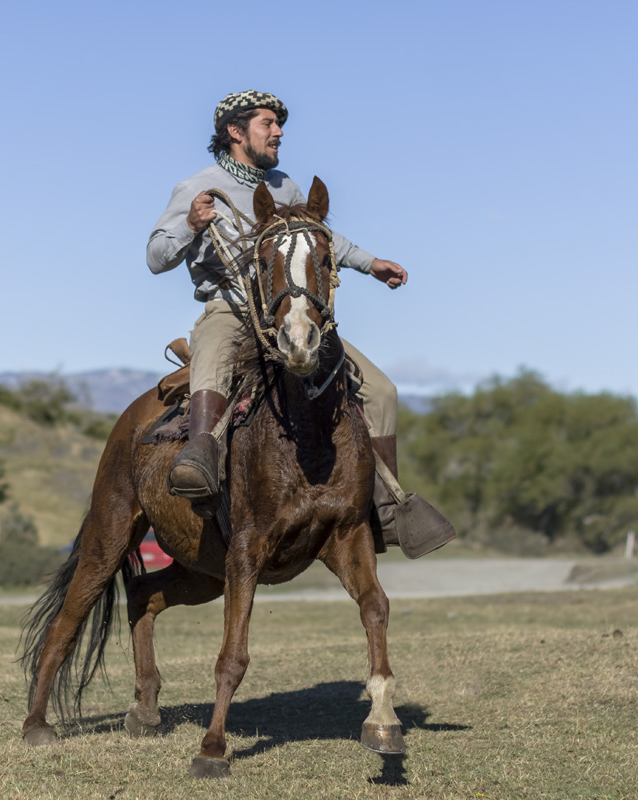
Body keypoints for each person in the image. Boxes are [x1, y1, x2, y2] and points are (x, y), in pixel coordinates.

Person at [146, 90, 453, 558]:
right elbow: (155, 258)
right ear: (236, 131)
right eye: (268, 124)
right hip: (230, 310)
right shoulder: (196, 187)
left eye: (278, 125)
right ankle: (201, 464)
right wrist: (190, 224)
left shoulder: (286, 186)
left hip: (289, 314)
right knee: (211, 360)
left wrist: (370, 264)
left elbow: (322, 238)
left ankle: (384, 508)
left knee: (382, 391)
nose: (278, 132)